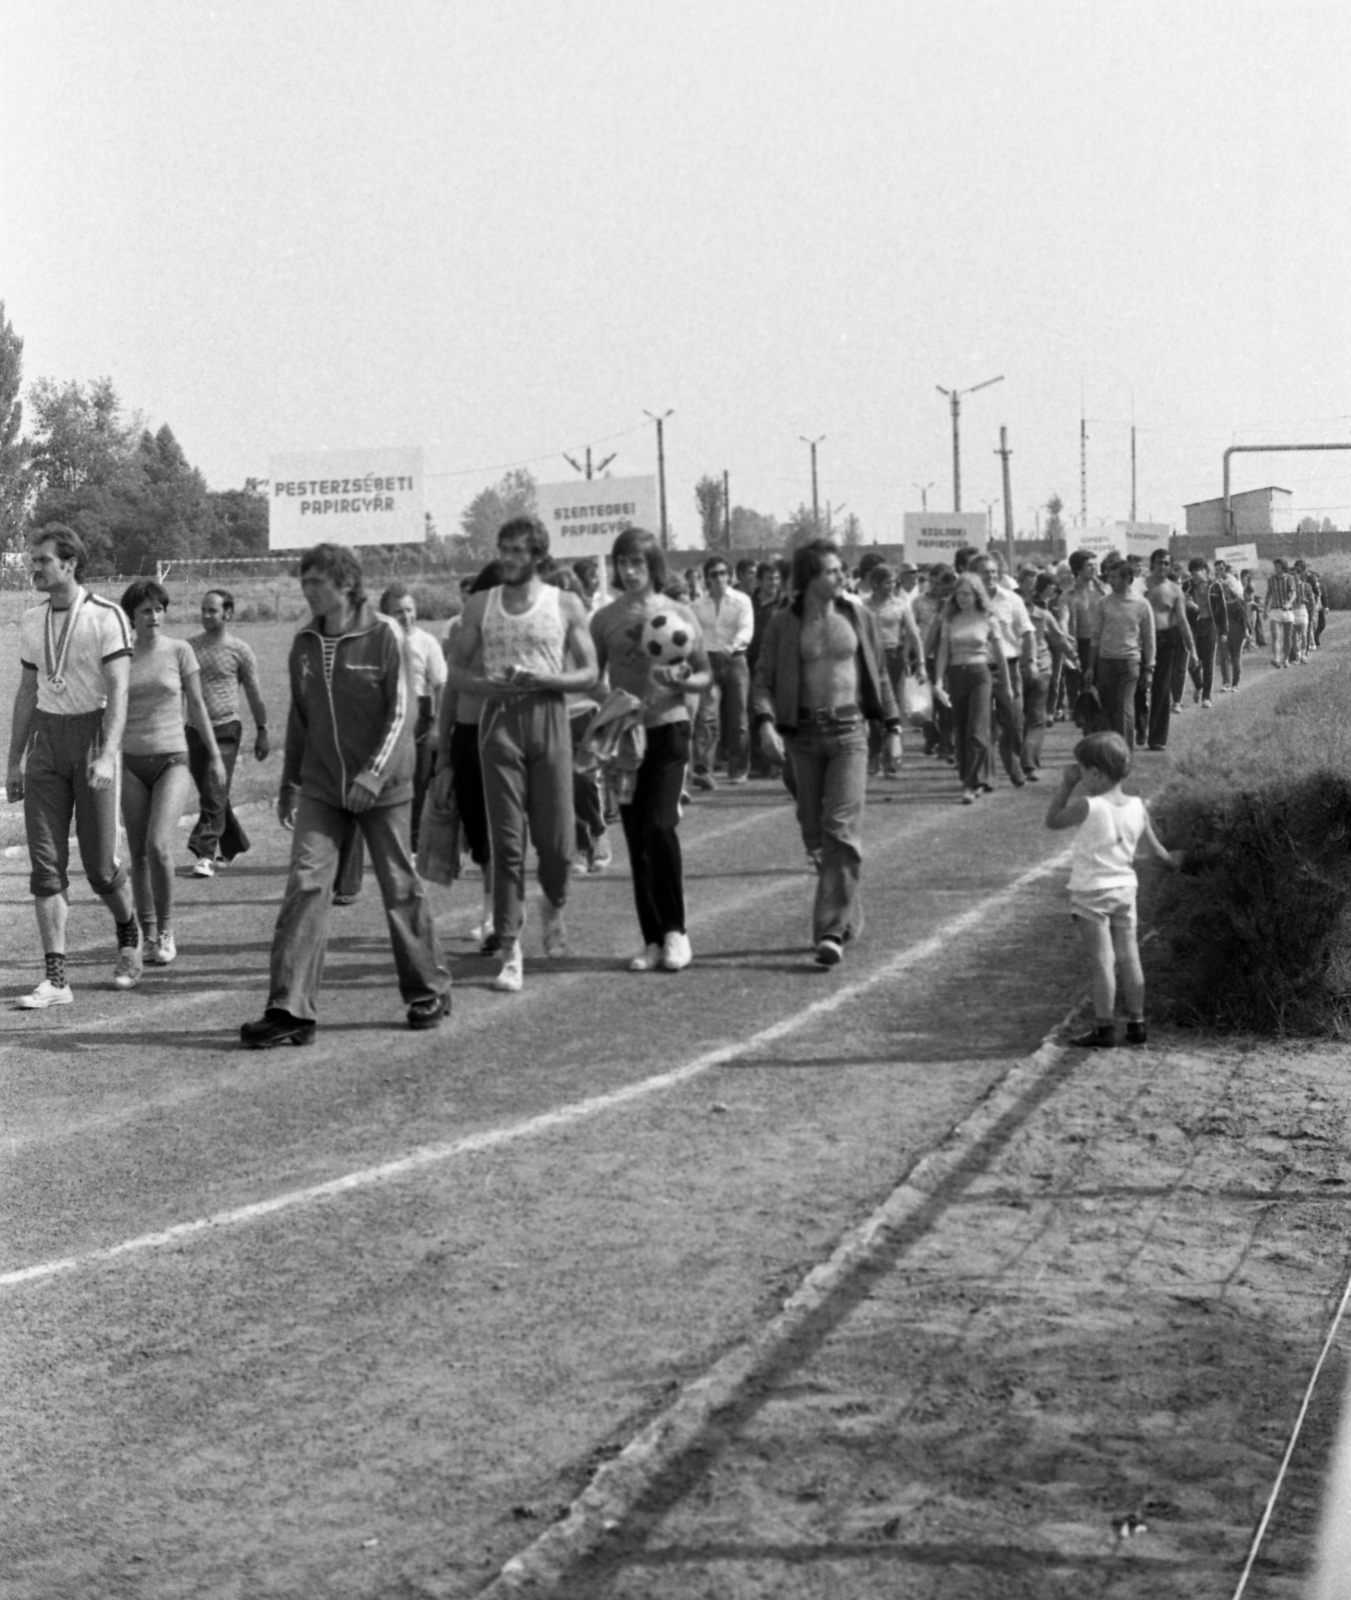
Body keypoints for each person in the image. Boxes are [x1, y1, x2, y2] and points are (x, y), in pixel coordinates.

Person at [240, 543, 451, 1047]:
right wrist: (289, 783)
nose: (308, 591)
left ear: (347, 584)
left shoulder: (385, 636)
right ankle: (290, 1009)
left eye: (317, 583)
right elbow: (302, 716)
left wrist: (372, 777)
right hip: (322, 787)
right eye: (304, 582)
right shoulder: (305, 642)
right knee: (306, 885)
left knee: (399, 884)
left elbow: (404, 715)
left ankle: (428, 989)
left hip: (384, 787)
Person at [444, 516, 599, 994]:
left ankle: (554, 901)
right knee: (507, 845)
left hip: (549, 718)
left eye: (518, 550)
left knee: (555, 844)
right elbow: (456, 670)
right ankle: (510, 948)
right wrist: (488, 686)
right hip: (499, 724)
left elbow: (590, 671)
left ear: (537, 555)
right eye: (503, 548)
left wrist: (547, 680)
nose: (508, 558)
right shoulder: (480, 605)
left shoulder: (565, 603)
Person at [7, 524, 142, 1006]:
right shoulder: (29, 620)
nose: (35, 567)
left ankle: (129, 932)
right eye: (34, 560)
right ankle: (57, 980)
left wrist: (107, 752)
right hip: (47, 743)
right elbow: (26, 694)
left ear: (70, 563)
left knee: (102, 868)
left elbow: (120, 691)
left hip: (93, 739)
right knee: (46, 869)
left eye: (43, 560)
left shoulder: (107, 617)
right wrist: (14, 762)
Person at [752, 538, 901, 966]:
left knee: (840, 828)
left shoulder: (859, 616)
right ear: (810, 578)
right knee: (815, 836)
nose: (841, 577)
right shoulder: (783, 623)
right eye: (832, 571)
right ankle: (848, 910)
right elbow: (762, 680)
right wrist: (765, 724)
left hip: (851, 733)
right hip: (802, 736)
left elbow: (880, 677)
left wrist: (891, 728)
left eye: (842, 570)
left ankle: (830, 931)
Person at [590, 527, 711, 971]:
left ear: (654, 565)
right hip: (625, 738)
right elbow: (590, 674)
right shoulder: (604, 619)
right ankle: (652, 940)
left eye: (638, 562)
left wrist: (681, 682)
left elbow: (703, 673)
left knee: (661, 826)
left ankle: (677, 932)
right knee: (636, 837)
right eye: (623, 562)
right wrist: (609, 701)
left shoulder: (678, 614)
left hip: (668, 729)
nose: (630, 570)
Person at [1046, 731, 1182, 1048]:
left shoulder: (1087, 806)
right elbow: (1156, 851)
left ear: (1094, 773)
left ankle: (1104, 1027)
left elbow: (1053, 820)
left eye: (1079, 770)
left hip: (1091, 892)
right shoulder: (1137, 806)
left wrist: (1065, 785)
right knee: (1129, 955)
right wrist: (1174, 861)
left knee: (1102, 961)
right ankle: (1137, 1023)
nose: (1077, 776)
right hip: (1124, 888)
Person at [119, 580, 228, 969]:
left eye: (159, 609)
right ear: (132, 614)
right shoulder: (120, 657)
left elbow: (197, 706)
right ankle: (148, 935)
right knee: (136, 853)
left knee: (158, 846)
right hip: (130, 763)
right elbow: (107, 711)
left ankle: (166, 930)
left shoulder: (179, 651)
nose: (154, 616)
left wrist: (214, 756)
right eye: (146, 610)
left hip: (172, 760)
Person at [433, 562, 502, 950]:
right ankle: (494, 913)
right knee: (479, 835)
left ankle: (499, 917)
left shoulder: (517, 633)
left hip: (505, 740)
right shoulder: (461, 630)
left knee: (501, 832)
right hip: (467, 736)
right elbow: (450, 692)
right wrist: (443, 748)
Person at [186, 588, 270, 876]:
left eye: (213, 610)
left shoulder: (240, 650)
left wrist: (263, 730)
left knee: (214, 789)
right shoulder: (189, 648)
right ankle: (233, 844)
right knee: (214, 793)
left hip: (226, 728)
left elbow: (255, 693)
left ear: (228, 613)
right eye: (204, 610)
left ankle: (205, 854)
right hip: (194, 731)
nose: (206, 615)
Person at [379, 583, 447, 851]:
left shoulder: (426, 642)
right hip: (385, 715)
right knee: (385, 784)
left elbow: (440, 685)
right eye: (398, 612)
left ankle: (415, 846)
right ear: (386, 615)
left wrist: (438, 727)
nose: (406, 617)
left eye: (409, 610)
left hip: (419, 714)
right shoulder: (377, 642)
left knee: (417, 786)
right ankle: (389, 842)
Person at [934, 573, 1009, 804]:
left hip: (980, 675)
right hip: (956, 675)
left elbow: (999, 654)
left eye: (967, 593)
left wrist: (1007, 685)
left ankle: (971, 783)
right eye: (958, 594)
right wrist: (937, 681)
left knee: (976, 729)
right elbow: (943, 652)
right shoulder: (950, 619)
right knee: (961, 728)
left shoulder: (988, 618)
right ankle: (973, 776)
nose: (962, 598)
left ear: (977, 594)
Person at [970, 550, 1033, 787]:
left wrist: (1031, 660)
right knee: (983, 725)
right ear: (974, 575)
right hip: (978, 669)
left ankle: (1013, 762)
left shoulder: (1011, 600)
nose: (991, 576)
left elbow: (1026, 631)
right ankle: (988, 776)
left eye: (994, 572)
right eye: (985, 572)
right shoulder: (966, 603)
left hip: (1010, 667)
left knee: (1015, 723)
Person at [691, 555, 754, 788]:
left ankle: (738, 768)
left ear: (729, 575)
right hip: (708, 662)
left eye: (722, 573)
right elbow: (692, 632)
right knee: (707, 716)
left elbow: (747, 629)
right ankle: (704, 770)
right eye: (713, 574)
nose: (718, 578)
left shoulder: (742, 601)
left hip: (735, 660)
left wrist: (733, 645)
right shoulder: (697, 606)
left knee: (738, 717)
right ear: (707, 579)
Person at [862, 564, 924, 777]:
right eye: (887, 582)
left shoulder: (901, 605)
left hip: (893, 658)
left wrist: (921, 662)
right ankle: (874, 756)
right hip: (870, 660)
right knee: (873, 709)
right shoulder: (864, 607)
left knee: (893, 710)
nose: (891, 586)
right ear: (875, 584)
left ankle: (892, 758)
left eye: (893, 582)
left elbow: (914, 635)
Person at [1089, 559, 1155, 752]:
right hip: (1105, 662)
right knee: (1108, 709)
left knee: (1125, 708)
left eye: (1115, 577)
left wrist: (1149, 668)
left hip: (1130, 663)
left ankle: (1125, 753)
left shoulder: (1142, 605)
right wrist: (1091, 667)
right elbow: (1096, 637)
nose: (1110, 580)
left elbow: (1149, 639)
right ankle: (1110, 751)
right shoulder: (1104, 603)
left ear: (1128, 579)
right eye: (1109, 576)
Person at [1143, 550, 1195, 750]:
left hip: (1165, 641)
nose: (1162, 567)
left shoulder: (1175, 590)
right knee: (1139, 688)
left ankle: (1157, 738)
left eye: (1166, 563)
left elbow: (1182, 621)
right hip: (1139, 641)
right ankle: (1139, 728)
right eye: (1159, 563)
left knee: (1162, 689)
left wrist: (1193, 651)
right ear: (1152, 564)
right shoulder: (1142, 585)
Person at [1184, 557, 1226, 708]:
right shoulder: (1186, 586)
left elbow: (1221, 610)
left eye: (1199, 570)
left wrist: (1223, 631)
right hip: (1193, 626)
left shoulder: (1215, 586)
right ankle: (1199, 686)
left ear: (1206, 571)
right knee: (1192, 661)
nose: (1196, 574)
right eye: (1193, 571)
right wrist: (1187, 603)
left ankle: (1206, 697)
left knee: (1208, 663)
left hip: (1209, 625)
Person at [1264, 558, 1297, 668]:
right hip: (1275, 610)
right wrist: (1265, 609)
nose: (1276, 569)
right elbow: (1268, 595)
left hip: (1287, 611)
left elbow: (1293, 594)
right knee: (1275, 636)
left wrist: (1288, 603)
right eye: (1275, 567)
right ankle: (1276, 658)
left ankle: (1286, 658)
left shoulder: (1289, 579)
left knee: (1287, 637)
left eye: (1278, 567)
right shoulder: (1271, 580)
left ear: (1283, 567)